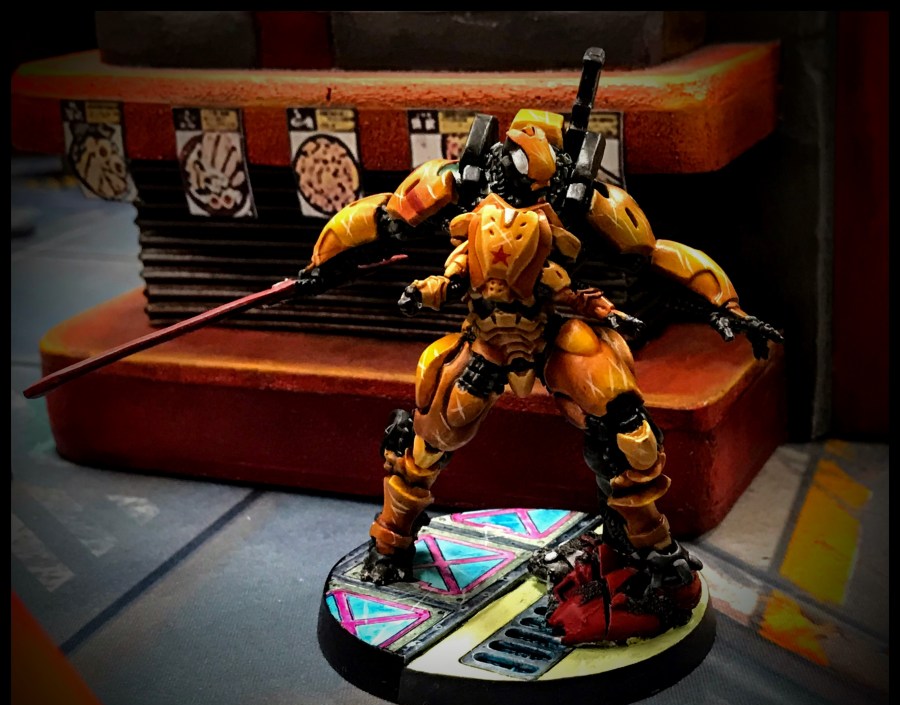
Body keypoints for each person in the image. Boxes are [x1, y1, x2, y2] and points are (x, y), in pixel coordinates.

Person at [296, 82, 782, 641]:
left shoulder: (580, 196)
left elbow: (651, 252)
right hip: (486, 336)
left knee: (625, 426)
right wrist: (322, 263)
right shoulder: (465, 181)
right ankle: (390, 540)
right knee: (431, 435)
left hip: (554, 331)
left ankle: (652, 553)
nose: (523, 168)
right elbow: (384, 215)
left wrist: (724, 305)